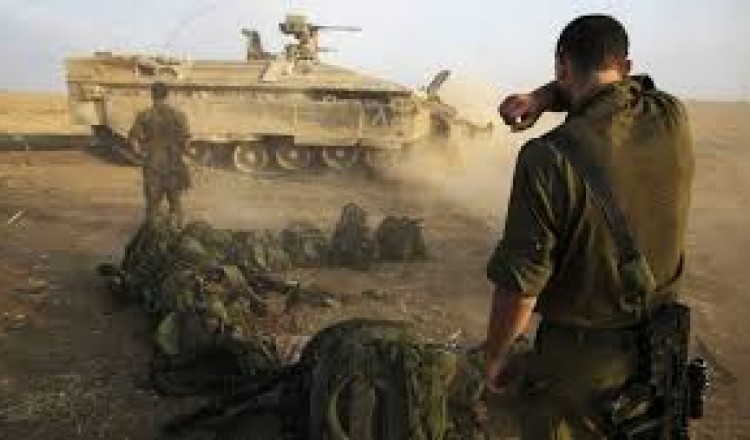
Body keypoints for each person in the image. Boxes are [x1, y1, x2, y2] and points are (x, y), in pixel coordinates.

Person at [483, 14, 694, 439]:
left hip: (582, 373)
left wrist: (496, 356)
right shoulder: (671, 115)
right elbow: (620, 91)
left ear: (562, 66)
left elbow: (521, 288)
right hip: (661, 356)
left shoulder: (546, 158)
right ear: (626, 66)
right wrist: (546, 96)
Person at [128, 82, 191, 227]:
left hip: (152, 164)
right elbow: (186, 140)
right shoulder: (179, 115)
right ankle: (177, 230)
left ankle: (153, 232)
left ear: (152, 95)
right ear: (167, 95)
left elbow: (133, 139)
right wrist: (185, 153)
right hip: (173, 164)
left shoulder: (144, 115)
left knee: (152, 204)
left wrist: (140, 154)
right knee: (175, 202)